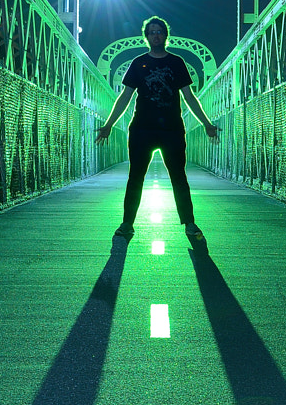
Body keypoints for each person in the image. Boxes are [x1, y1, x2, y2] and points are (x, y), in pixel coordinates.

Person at [94, 16, 221, 245]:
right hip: (142, 128)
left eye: (159, 31)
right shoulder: (138, 63)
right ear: (147, 36)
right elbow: (125, 97)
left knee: (178, 177)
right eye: (151, 32)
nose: (156, 35)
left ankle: (189, 223)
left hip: (172, 129)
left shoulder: (177, 62)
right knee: (136, 177)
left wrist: (206, 123)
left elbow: (189, 97)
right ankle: (127, 224)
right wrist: (109, 125)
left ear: (165, 35)